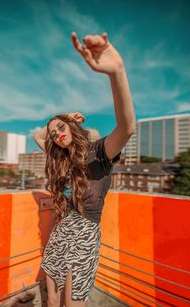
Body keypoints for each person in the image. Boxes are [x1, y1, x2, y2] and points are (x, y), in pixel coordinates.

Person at [33, 31, 136, 307]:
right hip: (62, 227)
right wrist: (62, 117)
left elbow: (127, 127)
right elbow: (37, 136)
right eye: (53, 133)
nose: (56, 135)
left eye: (61, 128)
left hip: (85, 231)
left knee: (72, 298)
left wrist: (117, 73)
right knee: (52, 292)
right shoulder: (61, 160)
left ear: (73, 127)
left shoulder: (99, 152)